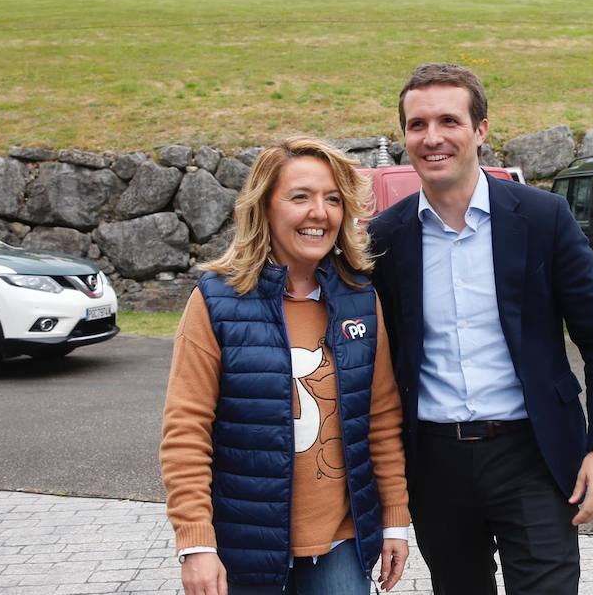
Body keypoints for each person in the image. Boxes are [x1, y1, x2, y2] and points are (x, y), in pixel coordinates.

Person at [369, 63, 593, 595]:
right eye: (417, 125)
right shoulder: (385, 238)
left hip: (532, 456)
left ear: (481, 130)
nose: (433, 137)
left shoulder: (543, 218)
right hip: (435, 465)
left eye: (449, 120)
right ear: (404, 137)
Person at [160, 136, 410, 595]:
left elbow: (382, 416)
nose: (320, 212)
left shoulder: (360, 300)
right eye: (301, 197)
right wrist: (195, 543)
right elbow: (186, 430)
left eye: (333, 199)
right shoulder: (215, 301)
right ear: (264, 207)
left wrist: (395, 520)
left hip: (341, 545)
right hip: (243, 547)